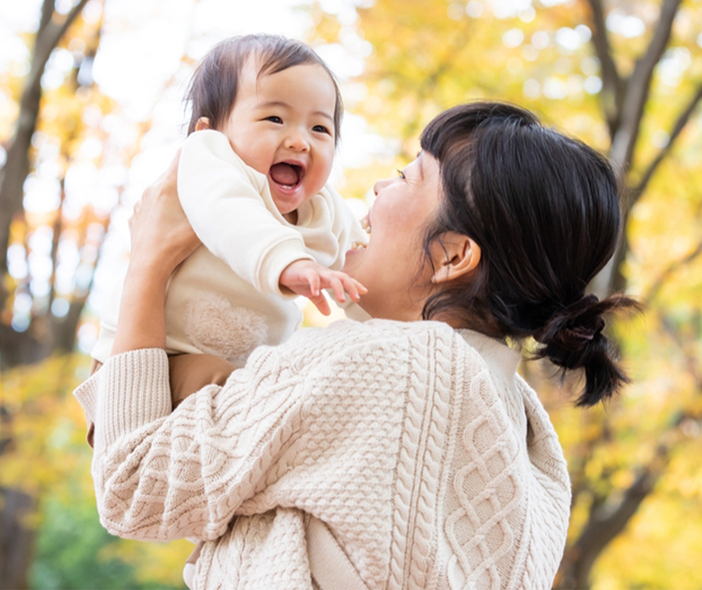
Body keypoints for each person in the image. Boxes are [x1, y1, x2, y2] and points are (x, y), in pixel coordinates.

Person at [75, 102, 637, 590]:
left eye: (407, 177)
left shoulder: (385, 362)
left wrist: (149, 260)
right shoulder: (528, 432)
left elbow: (132, 486)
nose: (377, 187)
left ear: (452, 257)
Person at [91, 34, 368, 368]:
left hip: (236, 372)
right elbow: (231, 215)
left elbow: (363, 275)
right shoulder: (210, 161)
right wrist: (288, 262)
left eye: (320, 128)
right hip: (153, 354)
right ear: (209, 131)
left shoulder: (329, 212)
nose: (300, 142)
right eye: (275, 119)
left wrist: (387, 324)